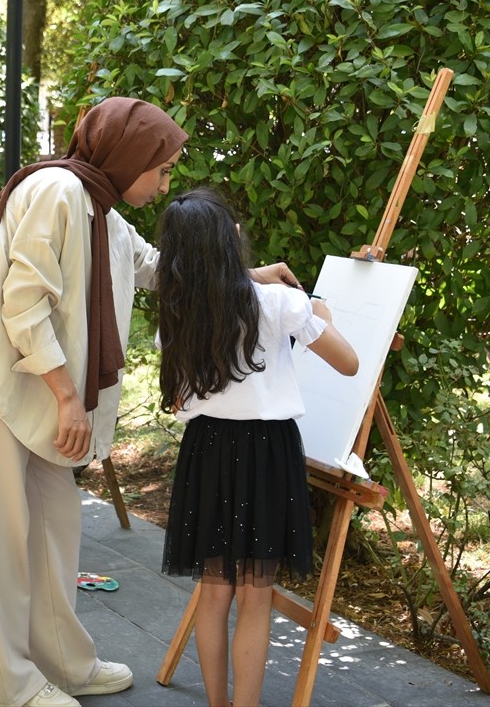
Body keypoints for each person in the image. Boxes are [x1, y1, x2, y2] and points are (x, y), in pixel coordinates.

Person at [0, 97, 185, 707]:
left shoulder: (103, 212)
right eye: (162, 168)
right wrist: (69, 397)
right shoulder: (58, 190)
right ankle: (8, 686)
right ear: (129, 156)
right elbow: (24, 300)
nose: (166, 183)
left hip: (33, 389)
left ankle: (65, 663)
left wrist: (249, 274)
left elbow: (159, 269)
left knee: (53, 528)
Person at [156, 189, 359, 707]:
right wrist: (320, 309)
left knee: (214, 591)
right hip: (266, 453)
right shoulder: (279, 303)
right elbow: (349, 363)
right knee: (255, 597)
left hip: (206, 452)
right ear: (227, 243)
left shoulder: (178, 312)